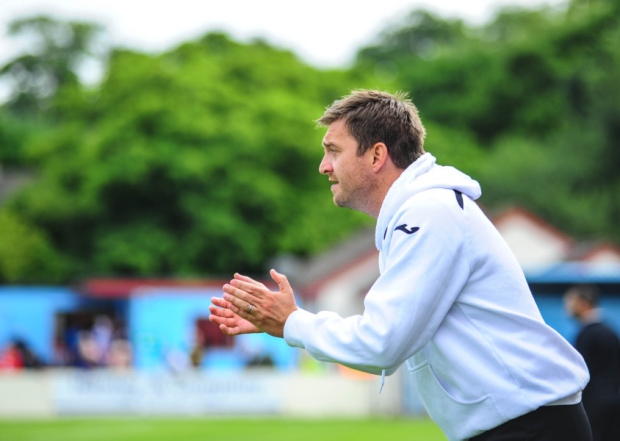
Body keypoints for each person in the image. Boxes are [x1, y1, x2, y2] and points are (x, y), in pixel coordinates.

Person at [209, 90, 592, 441]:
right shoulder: (423, 212)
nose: (324, 166)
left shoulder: (429, 212)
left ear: (376, 156)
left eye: (333, 151)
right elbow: (388, 346)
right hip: (527, 424)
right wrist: (285, 322)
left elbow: (383, 343)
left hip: (531, 427)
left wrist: (292, 322)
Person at [564, 284, 620, 441]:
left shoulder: (586, 335)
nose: (567, 307)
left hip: (594, 405)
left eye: (570, 301)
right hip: (615, 401)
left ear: (583, 303)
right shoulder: (610, 331)